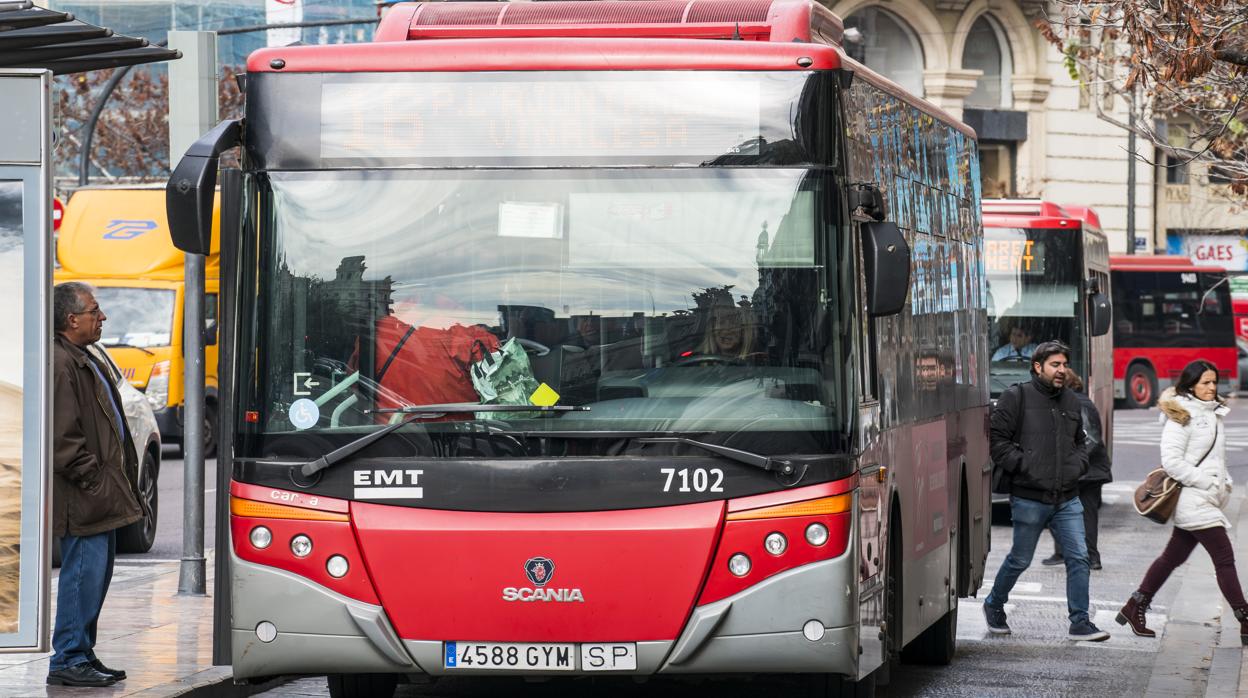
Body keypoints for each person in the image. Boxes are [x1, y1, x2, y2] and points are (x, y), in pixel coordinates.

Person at [48, 282, 144, 687]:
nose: (101, 317)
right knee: (82, 574)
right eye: (95, 310)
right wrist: (93, 479)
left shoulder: (83, 357)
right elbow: (62, 440)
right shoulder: (61, 362)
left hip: (96, 491)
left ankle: (82, 651)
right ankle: (68, 656)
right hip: (84, 495)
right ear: (72, 319)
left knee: (95, 576)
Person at [983, 341, 1110, 641]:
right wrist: (1026, 466)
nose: (1061, 370)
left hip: (1067, 496)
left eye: (1064, 364)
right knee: (1020, 559)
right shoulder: (1017, 396)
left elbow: (1081, 441)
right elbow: (997, 441)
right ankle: (994, 604)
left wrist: (1076, 467)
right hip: (1029, 495)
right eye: (1055, 365)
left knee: (1079, 557)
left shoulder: (1071, 400)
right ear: (1037, 367)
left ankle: (1080, 621)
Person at [1117, 361, 1248, 643]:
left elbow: (1217, 458)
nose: (1212, 388)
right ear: (1190, 385)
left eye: (1214, 382)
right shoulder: (1182, 416)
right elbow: (1172, 462)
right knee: (1224, 559)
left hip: (1206, 499)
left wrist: (1223, 483)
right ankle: (1245, 619)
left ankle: (1135, 605)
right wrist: (1206, 482)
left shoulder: (1213, 412)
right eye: (1205, 383)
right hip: (1194, 500)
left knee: (1172, 558)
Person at [1040, 369, 1112, 570]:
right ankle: (1075, 553)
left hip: (1085, 471)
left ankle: (1087, 556)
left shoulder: (1079, 403)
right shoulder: (1071, 402)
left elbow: (1091, 438)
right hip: (1086, 469)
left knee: (1083, 513)